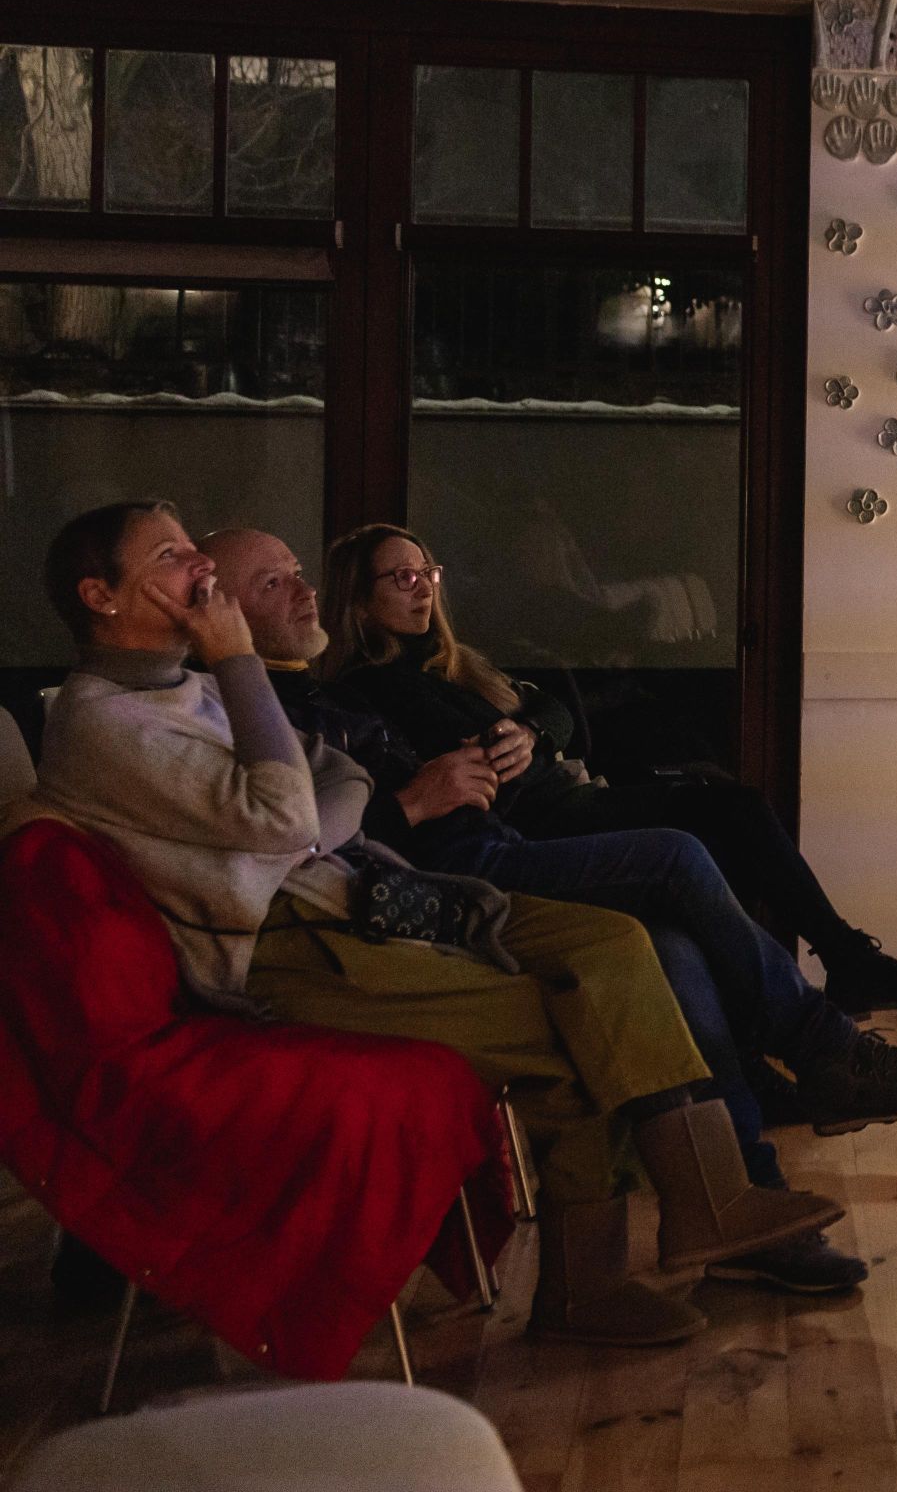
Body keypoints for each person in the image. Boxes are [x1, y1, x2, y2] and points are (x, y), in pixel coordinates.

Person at [12, 500, 843, 1349]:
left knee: (612, 942)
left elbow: (333, 775)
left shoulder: (183, 687)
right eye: (169, 554)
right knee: (575, 1023)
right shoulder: (106, 721)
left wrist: (308, 812)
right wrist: (241, 670)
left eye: (193, 546)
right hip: (289, 950)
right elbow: (285, 815)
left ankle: (709, 1196)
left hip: (346, 897)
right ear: (100, 596)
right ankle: (588, 1283)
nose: (200, 567)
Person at [204, 529, 897, 1297]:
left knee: (675, 941)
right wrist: (409, 802)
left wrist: (525, 734)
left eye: (299, 573)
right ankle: (822, 1048)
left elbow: (542, 709)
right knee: (680, 853)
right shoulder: (297, 697)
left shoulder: (341, 688)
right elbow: (297, 835)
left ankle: (747, 1200)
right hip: (447, 878)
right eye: (274, 582)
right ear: (221, 614)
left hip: (487, 845)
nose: (304, 589)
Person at [315, 523, 897, 1014]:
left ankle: (809, 983)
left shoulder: (454, 665)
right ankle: (835, 969)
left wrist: (534, 731)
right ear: (360, 602)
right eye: (401, 577)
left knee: (726, 808)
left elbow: (551, 706)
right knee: (728, 812)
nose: (424, 586)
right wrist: (514, 740)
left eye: (427, 571)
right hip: (538, 822)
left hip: (564, 797)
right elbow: (464, 753)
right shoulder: (373, 686)